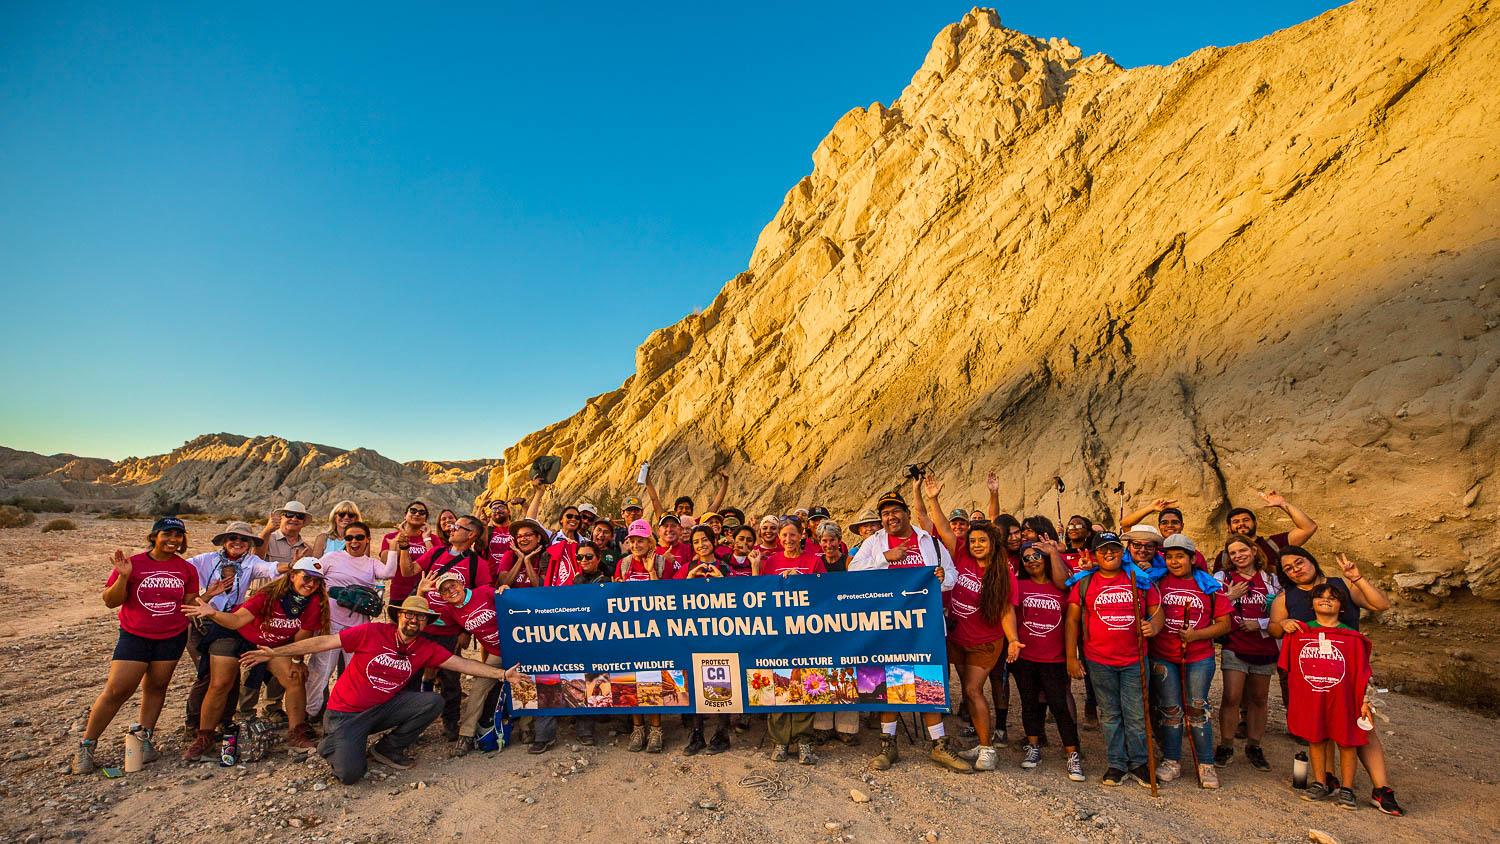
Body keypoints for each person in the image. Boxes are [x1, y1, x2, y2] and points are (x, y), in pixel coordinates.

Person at [241, 595, 516, 783]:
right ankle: (332, 741)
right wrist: (276, 653)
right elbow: (322, 643)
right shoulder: (372, 632)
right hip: (346, 713)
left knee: (431, 702)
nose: (414, 621)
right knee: (351, 775)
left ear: (426, 623)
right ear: (399, 616)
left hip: (381, 709)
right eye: (410, 615)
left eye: (421, 618)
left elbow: (462, 664)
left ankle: (387, 749)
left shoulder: (424, 648)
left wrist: (502, 674)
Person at [1268, 547, 1402, 815]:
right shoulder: (1286, 597)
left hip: (1348, 671)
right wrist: (1284, 624)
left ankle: (1381, 789)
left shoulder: (1340, 586)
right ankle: (1326, 778)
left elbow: (1381, 604)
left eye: (1300, 563)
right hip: (1311, 673)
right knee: (1319, 723)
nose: (1296, 570)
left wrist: (1357, 577)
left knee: (1361, 726)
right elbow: (1273, 626)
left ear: (1312, 561)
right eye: (1289, 569)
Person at [850, 490, 968, 773]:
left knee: (926, 680)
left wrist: (943, 577)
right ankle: (887, 744)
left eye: (895, 511)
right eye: (885, 514)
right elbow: (853, 571)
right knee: (887, 680)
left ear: (906, 512)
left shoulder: (930, 541)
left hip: (923, 624)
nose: (891, 517)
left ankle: (939, 745)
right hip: (886, 624)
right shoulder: (874, 542)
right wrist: (884, 557)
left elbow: (952, 575)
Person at [72, 518, 198, 775]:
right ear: (154, 536)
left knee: (156, 687)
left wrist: (210, 596)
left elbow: (189, 604)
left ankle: (144, 741)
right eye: (167, 534)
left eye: (178, 535)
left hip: (171, 636)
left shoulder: (186, 569)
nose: (173, 539)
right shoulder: (134, 564)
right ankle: (87, 746)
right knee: (117, 690)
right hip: (135, 635)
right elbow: (110, 601)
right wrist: (123, 577)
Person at [183, 558, 330, 757]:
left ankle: (297, 733)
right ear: (293, 576)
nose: (311, 584)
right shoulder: (269, 595)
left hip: (270, 644)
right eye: (307, 577)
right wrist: (213, 614)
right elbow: (236, 621)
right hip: (235, 634)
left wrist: (297, 660)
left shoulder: (313, 601)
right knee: (220, 683)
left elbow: (302, 635)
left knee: (294, 677)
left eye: (316, 580)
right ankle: (205, 736)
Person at [923, 475, 1021, 772]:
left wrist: (1013, 640)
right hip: (957, 637)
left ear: (994, 544)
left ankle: (988, 749)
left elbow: (1006, 611)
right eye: (974, 540)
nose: (977, 544)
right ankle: (981, 740)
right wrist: (933, 499)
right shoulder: (962, 554)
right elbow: (941, 527)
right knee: (965, 691)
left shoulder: (1003, 574)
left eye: (983, 540)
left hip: (984, 642)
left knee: (974, 690)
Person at [1066, 531, 1163, 787]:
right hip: (1098, 659)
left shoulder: (1137, 580)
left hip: (1134, 658)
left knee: (1136, 713)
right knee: (1109, 713)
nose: (1109, 554)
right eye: (1102, 550)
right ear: (1095, 555)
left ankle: (1140, 762)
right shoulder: (1084, 583)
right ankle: (1116, 763)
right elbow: (1072, 621)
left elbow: (1157, 611)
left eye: (1114, 549)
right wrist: (1071, 658)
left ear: (1123, 552)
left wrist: (1154, 627)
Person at [394, 514, 492, 741]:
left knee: (450, 681)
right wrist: (404, 547)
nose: (451, 529)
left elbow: (481, 599)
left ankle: (450, 724)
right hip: (421, 628)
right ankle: (406, 726)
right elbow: (408, 571)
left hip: (449, 631)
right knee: (411, 677)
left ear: (471, 535)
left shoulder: (478, 563)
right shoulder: (437, 553)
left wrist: (465, 631)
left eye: (457, 527)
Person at [182, 522, 283, 738]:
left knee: (229, 672)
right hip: (200, 622)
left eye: (244, 539)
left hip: (228, 623)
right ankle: (194, 724)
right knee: (207, 674)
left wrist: (293, 565)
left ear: (249, 544)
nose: (238, 543)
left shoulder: (250, 562)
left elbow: (271, 569)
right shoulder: (205, 560)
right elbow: (182, 570)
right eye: (233, 538)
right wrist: (207, 594)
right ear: (224, 541)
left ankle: (225, 721)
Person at [1281, 584, 1376, 810]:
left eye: (1333, 598)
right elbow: (1287, 668)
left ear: (1341, 606)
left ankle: (1348, 789)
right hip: (1313, 697)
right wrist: (1285, 623)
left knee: (1347, 741)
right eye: (1320, 597)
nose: (1326, 600)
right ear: (1311, 603)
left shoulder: (1352, 638)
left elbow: (1363, 673)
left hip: (1343, 699)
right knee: (1316, 739)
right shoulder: (1300, 633)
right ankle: (1319, 782)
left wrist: (1365, 701)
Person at [1148, 534, 1231, 788]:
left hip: (1198, 656)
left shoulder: (1209, 586)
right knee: (1170, 709)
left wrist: (1197, 635)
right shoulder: (1157, 582)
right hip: (1164, 655)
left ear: (1193, 559)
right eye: (1169, 557)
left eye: (1180, 556)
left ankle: (1205, 764)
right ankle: (1172, 761)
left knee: (1197, 707)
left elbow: (1224, 624)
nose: (1174, 561)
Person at [307, 521, 396, 720]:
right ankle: (310, 714)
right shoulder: (332, 557)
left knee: (354, 673)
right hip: (330, 623)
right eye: (349, 538)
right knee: (320, 671)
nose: (354, 541)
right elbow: (312, 575)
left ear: (367, 540)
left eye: (359, 537)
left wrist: (392, 549)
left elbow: (388, 573)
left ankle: (348, 714)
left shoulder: (371, 563)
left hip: (358, 626)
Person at [1013, 538, 1084, 781]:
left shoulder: (1062, 588)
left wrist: (1053, 552)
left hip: (1054, 657)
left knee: (1059, 705)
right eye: (1027, 558)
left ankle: (1072, 754)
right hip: (1026, 655)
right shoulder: (1019, 585)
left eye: (1037, 556)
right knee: (1029, 703)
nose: (1032, 561)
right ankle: (1034, 747)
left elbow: (1071, 620)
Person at [416, 570, 506, 755]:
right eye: (445, 590)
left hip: (519, 645)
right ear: (441, 596)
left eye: (453, 585)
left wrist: (505, 589)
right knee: (477, 690)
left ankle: (531, 730)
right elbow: (422, 617)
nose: (451, 591)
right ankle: (466, 736)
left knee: (529, 683)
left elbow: (509, 602)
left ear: (461, 584)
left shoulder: (484, 592)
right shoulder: (450, 612)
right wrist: (421, 593)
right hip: (496, 654)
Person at [1213, 533, 1280, 771]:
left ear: (1253, 551)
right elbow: (1212, 606)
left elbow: (1282, 610)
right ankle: (1226, 744)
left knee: (1259, 698)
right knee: (1231, 696)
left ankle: (1254, 745)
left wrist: (1260, 624)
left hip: (1264, 643)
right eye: (1233, 553)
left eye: (1242, 551)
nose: (1238, 556)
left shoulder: (1271, 578)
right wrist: (1230, 597)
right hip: (1235, 642)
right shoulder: (1222, 577)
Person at [250, 501, 313, 723]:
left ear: (303, 521)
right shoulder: (269, 538)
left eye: (298, 516)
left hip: (290, 609)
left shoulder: (307, 547)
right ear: (281, 517)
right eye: (289, 515)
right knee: (254, 657)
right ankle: (245, 710)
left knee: (284, 654)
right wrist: (267, 529)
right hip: (264, 605)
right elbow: (255, 558)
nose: (293, 519)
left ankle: (272, 707)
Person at [1215, 490, 1318, 571]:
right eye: (1236, 522)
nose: (1241, 524)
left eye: (1246, 520)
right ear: (1229, 528)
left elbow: (1309, 528)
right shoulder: (1224, 557)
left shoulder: (1276, 543)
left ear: (1255, 524)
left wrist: (1282, 503)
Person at [1120, 499, 1208, 570]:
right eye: (1164, 522)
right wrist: (1151, 508)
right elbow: (1124, 524)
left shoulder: (1192, 554)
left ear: (1182, 526)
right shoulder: (1151, 547)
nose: (1170, 525)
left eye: (1175, 522)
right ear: (1159, 526)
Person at [383, 501, 439, 603]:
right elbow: (386, 561)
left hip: (423, 592)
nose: (417, 514)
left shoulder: (433, 539)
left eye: (422, 512)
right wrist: (401, 538)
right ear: (405, 515)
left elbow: (436, 561)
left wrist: (426, 539)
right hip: (399, 592)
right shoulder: (390, 537)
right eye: (413, 511)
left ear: (426, 518)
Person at [495, 518, 549, 588]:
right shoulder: (509, 555)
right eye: (519, 536)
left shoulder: (544, 557)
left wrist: (527, 562)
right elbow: (504, 583)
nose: (523, 539)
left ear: (538, 538)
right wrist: (520, 559)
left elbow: (542, 588)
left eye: (527, 535)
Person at [483, 498, 514, 564]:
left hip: (514, 572)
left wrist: (523, 503)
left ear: (509, 511)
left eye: (501, 507)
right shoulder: (487, 531)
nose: (497, 511)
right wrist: (480, 507)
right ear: (490, 515)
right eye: (494, 509)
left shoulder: (516, 529)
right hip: (490, 573)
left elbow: (530, 522)